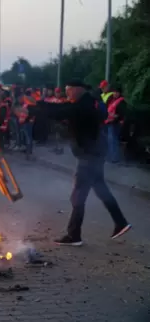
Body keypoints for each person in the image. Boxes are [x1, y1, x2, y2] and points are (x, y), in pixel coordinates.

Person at [33, 79, 131, 246]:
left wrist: (36, 105)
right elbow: (64, 109)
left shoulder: (82, 105)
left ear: (78, 90)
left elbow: (60, 112)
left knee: (77, 196)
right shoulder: (90, 102)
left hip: (89, 156)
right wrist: (41, 104)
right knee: (101, 190)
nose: (67, 94)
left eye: (69, 90)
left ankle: (74, 235)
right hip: (95, 154)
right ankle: (120, 222)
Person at [104, 85, 126, 163]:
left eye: (117, 92)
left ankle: (114, 158)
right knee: (110, 140)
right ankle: (111, 156)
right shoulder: (111, 99)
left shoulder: (121, 102)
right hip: (108, 122)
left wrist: (112, 115)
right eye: (114, 92)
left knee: (113, 140)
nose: (115, 93)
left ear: (120, 93)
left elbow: (120, 114)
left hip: (115, 123)